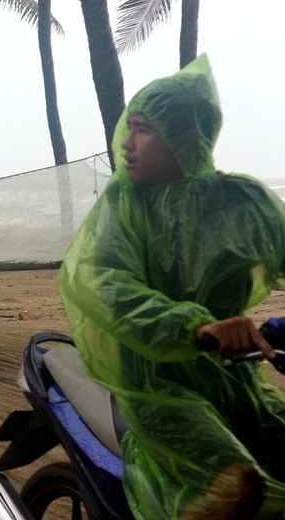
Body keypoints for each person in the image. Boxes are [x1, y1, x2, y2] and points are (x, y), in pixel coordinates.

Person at [58, 55, 285, 519]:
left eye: (142, 129)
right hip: (152, 383)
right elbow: (106, 284)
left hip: (232, 373)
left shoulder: (246, 203)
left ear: (188, 139)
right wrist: (195, 327)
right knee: (235, 485)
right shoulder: (123, 207)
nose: (126, 142)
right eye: (129, 127)